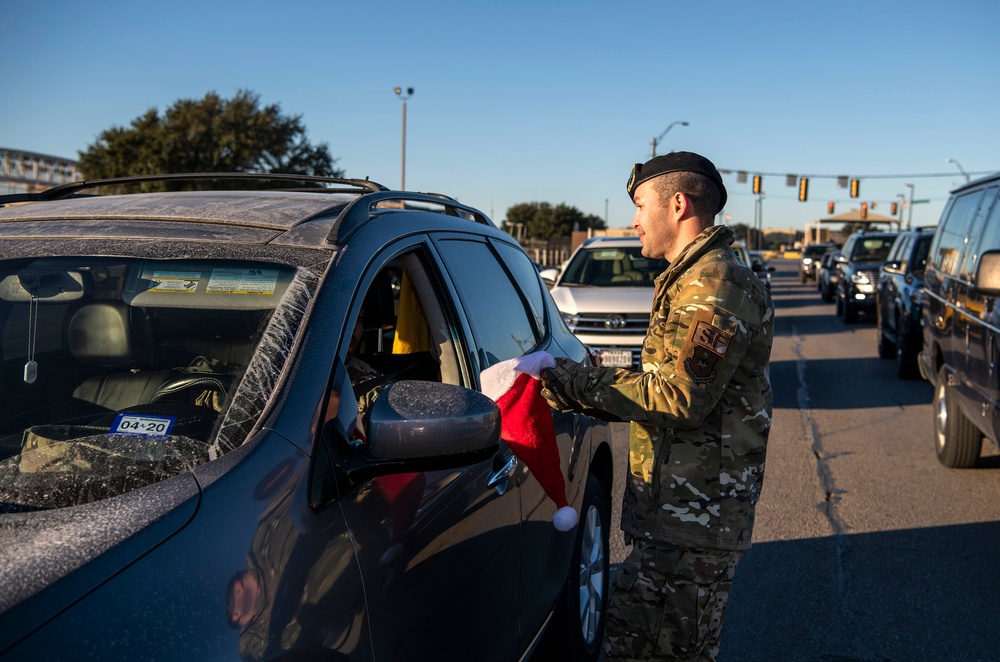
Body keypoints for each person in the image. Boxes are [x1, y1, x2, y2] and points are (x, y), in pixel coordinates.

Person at [539, 151, 774, 661]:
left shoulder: (715, 285)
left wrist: (574, 383)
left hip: (694, 521)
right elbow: (657, 389)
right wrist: (576, 390)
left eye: (641, 205)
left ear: (678, 204)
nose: (635, 219)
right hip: (674, 516)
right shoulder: (689, 280)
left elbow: (678, 397)